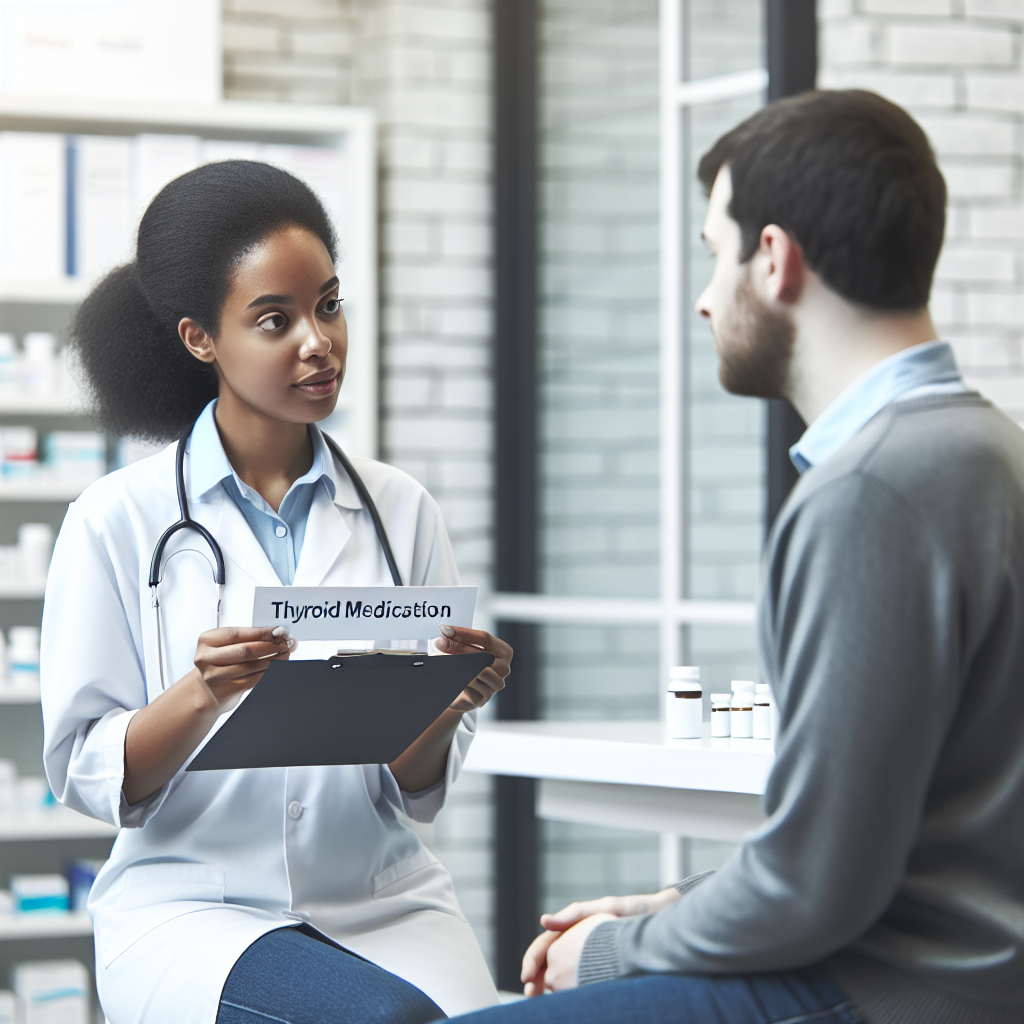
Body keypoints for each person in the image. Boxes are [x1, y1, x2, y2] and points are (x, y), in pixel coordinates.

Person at [449, 91, 1024, 1024]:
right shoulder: (990, 451)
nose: (705, 298)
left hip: (883, 991)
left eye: (716, 254)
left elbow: (812, 888)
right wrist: (676, 907)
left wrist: (610, 950)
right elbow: (866, 838)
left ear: (775, 258)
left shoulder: (871, 491)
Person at [41, 160, 511, 1024]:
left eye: (328, 305)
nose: (318, 341)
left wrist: (442, 701)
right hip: (195, 910)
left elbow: (415, 786)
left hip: (383, 900)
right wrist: (201, 694)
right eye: (275, 319)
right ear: (200, 339)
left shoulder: (401, 508)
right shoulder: (116, 520)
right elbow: (84, 769)